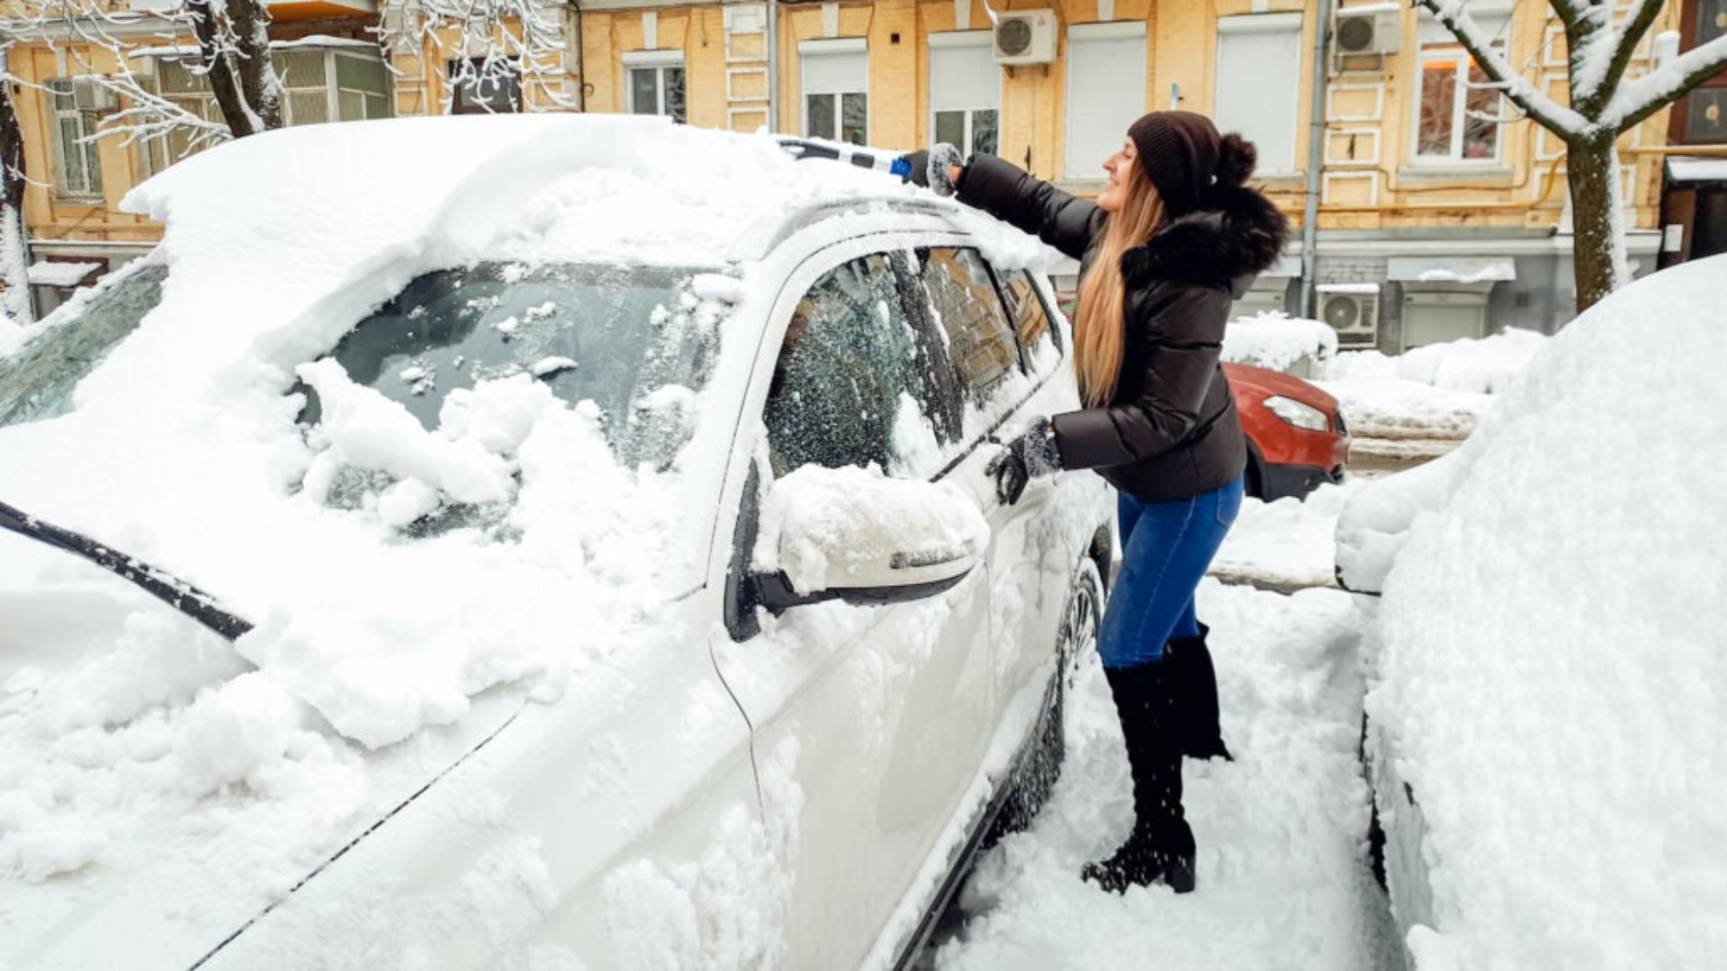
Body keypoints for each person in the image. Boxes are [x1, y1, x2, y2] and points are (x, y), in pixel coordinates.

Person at [902, 112, 1287, 894]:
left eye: (1129, 152)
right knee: (1168, 619)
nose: (1111, 158)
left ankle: (1162, 839)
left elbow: (1162, 418)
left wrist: (1051, 438)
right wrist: (961, 173)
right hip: (1152, 479)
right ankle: (1201, 739)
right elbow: (1041, 206)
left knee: (1126, 645)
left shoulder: (1191, 279)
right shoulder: (1121, 236)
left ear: (1156, 181)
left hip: (1188, 488)